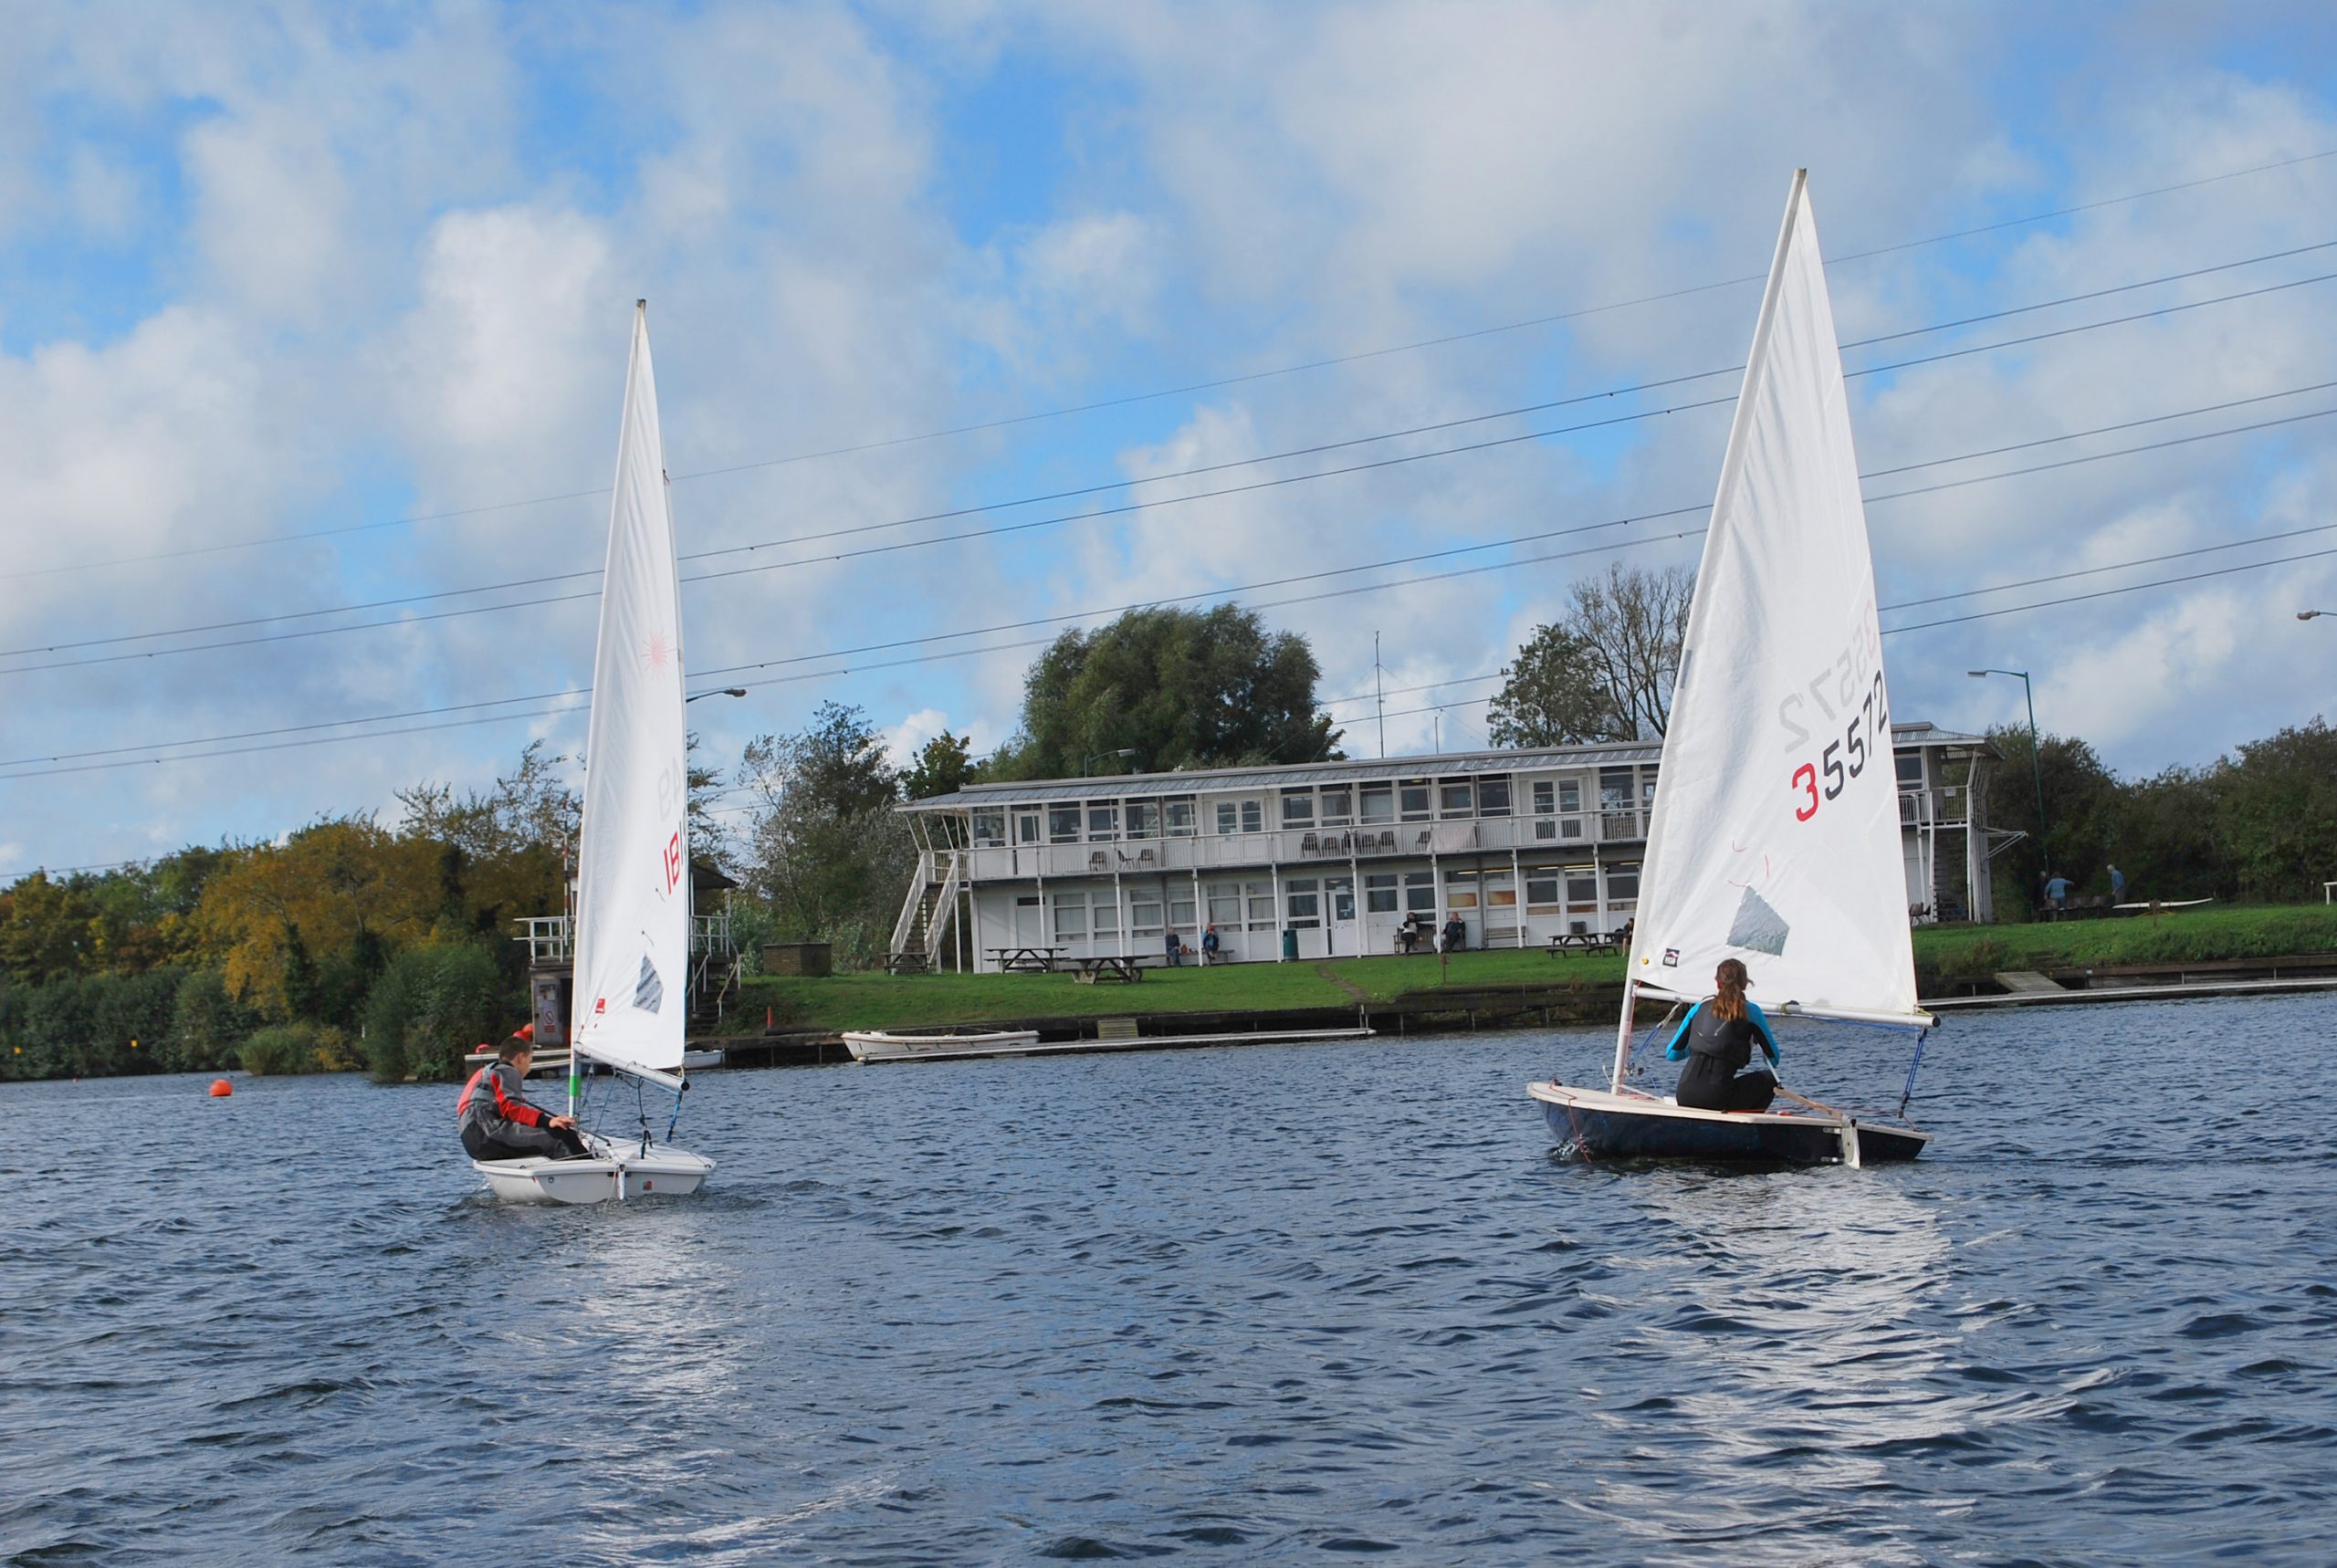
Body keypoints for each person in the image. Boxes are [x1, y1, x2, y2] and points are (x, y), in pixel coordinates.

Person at [1662, 957, 1781, 1113]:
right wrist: (1750, 1042)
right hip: (1717, 1097)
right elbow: (1774, 1059)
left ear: (1717, 982)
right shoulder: (1751, 1011)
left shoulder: (1699, 1007)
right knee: (1770, 1081)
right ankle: (1744, 1131)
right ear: (1744, 984)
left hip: (1684, 1095)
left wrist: (1704, 1043)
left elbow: (1672, 1054)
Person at [457, 1029, 589, 1162]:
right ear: (521, 1058)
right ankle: (592, 1173)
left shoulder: (487, 1072)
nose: (529, 1067)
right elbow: (511, 1110)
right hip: (485, 1133)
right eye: (529, 1061)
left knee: (544, 1136)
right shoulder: (508, 1071)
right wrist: (549, 1121)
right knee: (561, 1136)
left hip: (471, 1140)